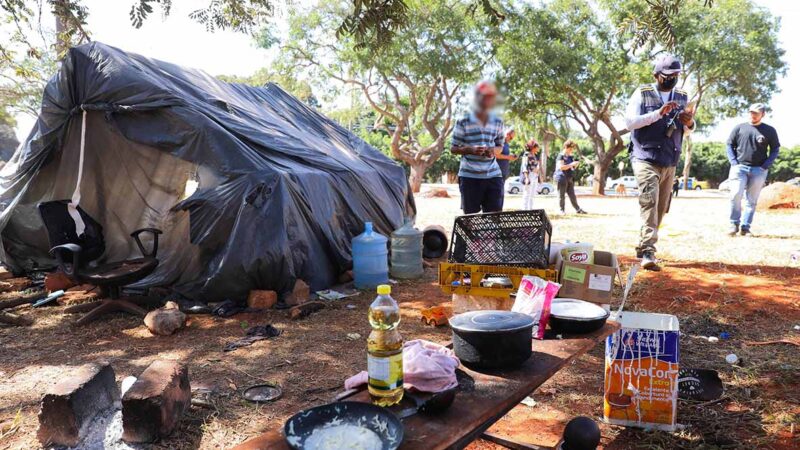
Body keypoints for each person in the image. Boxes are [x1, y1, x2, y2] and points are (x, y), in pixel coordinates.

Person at [624, 54, 695, 271]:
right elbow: (629, 123)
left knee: (662, 207)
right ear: (657, 75)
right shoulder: (642, 93)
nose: (672, 78)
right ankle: (648, 250)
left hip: (669, 158)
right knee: (649, 200)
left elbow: (689, 129)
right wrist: (657, 114)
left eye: (676, 75)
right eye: (668, 75)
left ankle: (643, 243)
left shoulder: (682, 96)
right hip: (644, 156)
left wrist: (690, 122)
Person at [450, 81, 505, 214]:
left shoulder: (498, 121)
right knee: (471, 219)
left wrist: (493, 151)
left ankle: (491, 236)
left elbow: (500, 146)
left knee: (494, 216)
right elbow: (453, 148)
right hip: (469, 177)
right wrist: (470, 149)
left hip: (493, 175)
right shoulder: (463, 120)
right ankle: (474, 236)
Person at [726, 103, 780, 236]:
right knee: (735, 195)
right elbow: (729, 144)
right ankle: (734, 224)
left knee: (751, 200)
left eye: (756, 113)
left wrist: (765, 165)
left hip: (759, 170)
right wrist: (734, 162)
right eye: (751, 112)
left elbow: (775, 149)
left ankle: (745, 227)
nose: (753, 115)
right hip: (739, 168)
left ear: (763, 114)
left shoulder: (770, 130)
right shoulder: (739, 128)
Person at [554, 140, 587, 215]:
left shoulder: (570, 156)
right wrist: (572, 164)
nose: (571, 150)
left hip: (569, 177)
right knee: (561, 195)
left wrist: (575, 165)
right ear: (566, 147)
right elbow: (561, 167)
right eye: (570, 149)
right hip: (561, 177)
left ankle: (578, 209)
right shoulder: (561, 156)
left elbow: (571, 168)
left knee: (572, 195)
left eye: (572, 149)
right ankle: (561, 210)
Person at [497, 128, 520, 210]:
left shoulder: (507, 144)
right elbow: (496, 155)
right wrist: (508, 157)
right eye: (511, 137)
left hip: (504, 172)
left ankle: (499, 211)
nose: (511, 139)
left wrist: (511, 157)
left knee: (501, 193)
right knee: (498, 193)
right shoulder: (500, 142)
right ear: (507, 134)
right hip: (497, 172)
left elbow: (505, 156)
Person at [520, 139, 542, 210]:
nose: (538, 148)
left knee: (532, 194)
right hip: (529, 175)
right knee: (527, 194)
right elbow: (524, 166)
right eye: (537, 147)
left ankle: (530, 209)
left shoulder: (535, 155)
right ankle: (525, 210)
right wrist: (526, 178)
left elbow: (536, 166)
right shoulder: (526, 154)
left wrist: (539, 177)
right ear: (533, 147)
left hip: (535, 176)